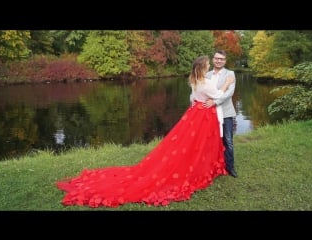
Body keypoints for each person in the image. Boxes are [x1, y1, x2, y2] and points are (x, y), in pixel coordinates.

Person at [56, 55, 234, 208]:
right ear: (203, 67)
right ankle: (200, 170)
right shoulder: (205, 83)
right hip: (202, 116)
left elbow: (195, 98)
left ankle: (202, 167)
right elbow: (218, 95)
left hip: (196, 113)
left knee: (191, 145)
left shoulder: (195, 81)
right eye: (209, 64)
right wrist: (226, 83)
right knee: (198, 145)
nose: (211, 65)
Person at [202, 50, 237, 178]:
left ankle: (230, 167)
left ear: (225, 61)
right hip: (209, 113)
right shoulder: (207, 74)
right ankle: (212, 165)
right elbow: (202, 91)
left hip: (226, 112)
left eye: (222, 59)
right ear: (213, 59)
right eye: (217, 58)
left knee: (227, 140)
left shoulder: (230, 74)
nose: (219, 61)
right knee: (210, 140)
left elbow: (229, 93)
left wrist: (215, 102)